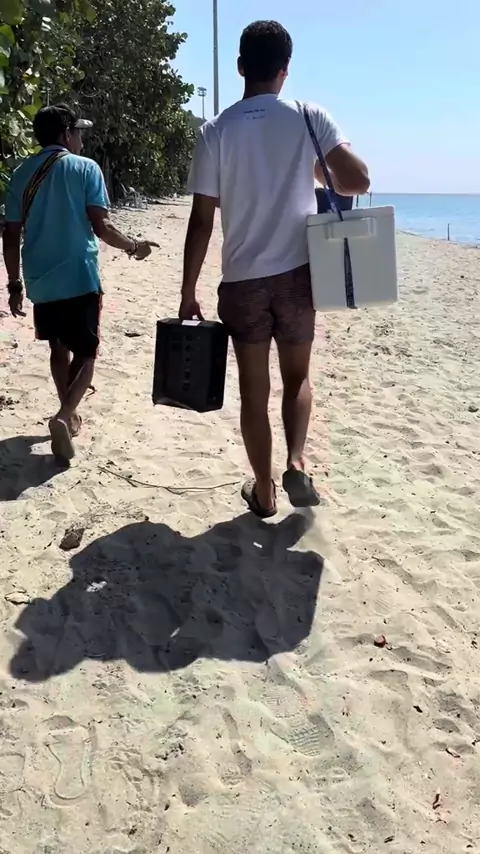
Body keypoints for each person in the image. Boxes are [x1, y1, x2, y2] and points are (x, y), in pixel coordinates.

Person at [180, 20, 369, 518]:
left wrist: (187, 290)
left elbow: (201, 221)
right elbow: (358, 180)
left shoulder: (215, 130)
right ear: (286, 69)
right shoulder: (308, 116)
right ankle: (297, 460)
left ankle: (263, 492)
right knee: (298, 376)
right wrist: (315, 170)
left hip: (242, 280)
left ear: (240, 67)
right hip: (297, 276)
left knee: (253, 392)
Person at [3, 104, 157, 464]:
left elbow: (10, 235)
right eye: (79, 133)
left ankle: (68, 416)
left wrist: (14, 284)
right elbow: (102, 227)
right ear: (66, 133)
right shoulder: (86, 168)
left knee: (58, 346)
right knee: (87, 353)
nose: (82, 140)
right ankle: (63, 415)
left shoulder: (21, 172)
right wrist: (134, 247)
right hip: (79, 274)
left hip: (39, 275)